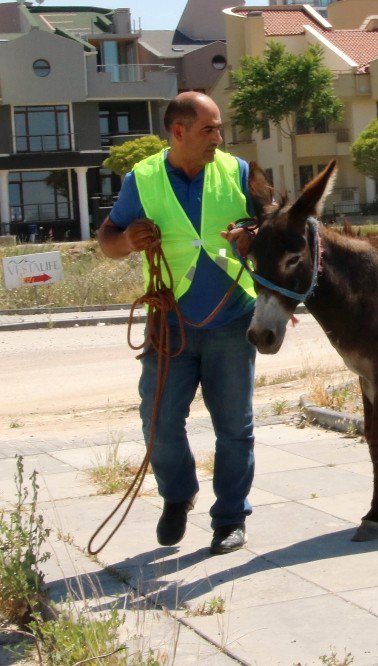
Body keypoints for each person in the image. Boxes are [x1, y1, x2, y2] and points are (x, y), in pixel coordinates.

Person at [97, 92, 258, 555]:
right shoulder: (141, 179)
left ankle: (230, 517)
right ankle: (177, 495)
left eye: (219, 128)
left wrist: (254, 236)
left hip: (231, 319)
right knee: (159, 420)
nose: (219, 138)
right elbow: (107, 240)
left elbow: (273, 224)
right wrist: (127, 240)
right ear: (179, 131)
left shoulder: (239, 172)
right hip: (169, 322)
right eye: (209, 129)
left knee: (234, 425)